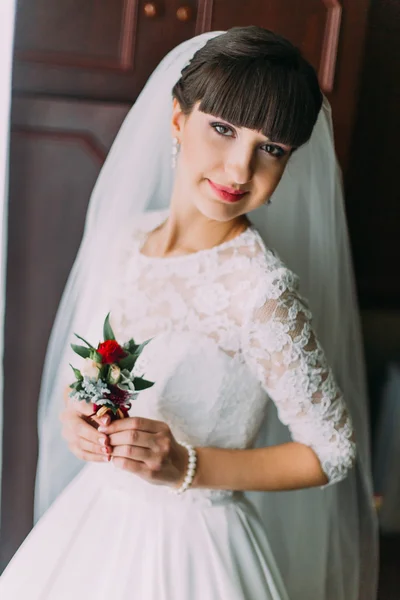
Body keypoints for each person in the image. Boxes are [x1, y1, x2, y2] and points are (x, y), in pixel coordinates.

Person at [0, 27, 378, 599]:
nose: (238, 169)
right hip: (95, 526)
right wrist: (79, 419)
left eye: (270, 148)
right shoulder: (124, 238)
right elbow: (87, 375)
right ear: (179, 120)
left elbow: (331, 451)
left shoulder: (260, 290)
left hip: (194, 548)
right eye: (223, 129)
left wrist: (185, 466)